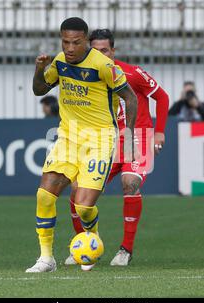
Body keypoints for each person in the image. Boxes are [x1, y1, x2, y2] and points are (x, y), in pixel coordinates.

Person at [27, 17, 138, 273]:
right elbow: (39, 90)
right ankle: (47, 259)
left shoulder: (103, 66)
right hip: (68, 137)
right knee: (44, 195)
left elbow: (130, 98)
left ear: (86, 41)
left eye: (75, 42)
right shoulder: (60, 61)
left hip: (99, 140)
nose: (69, 48)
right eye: (65, 42)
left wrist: (128, 134)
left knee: (83, 206)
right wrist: (39, 69)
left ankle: (91, 238)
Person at [65, 29, 170, 266]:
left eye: (105, 50)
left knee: (129, 183)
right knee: (77, 191)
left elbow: (162, 97)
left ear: (113, 51)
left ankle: (125, 250)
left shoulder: (132, 73)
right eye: (96, 50)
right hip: (105, 140)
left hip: (138, 136)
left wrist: (160, 132)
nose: (101, 54)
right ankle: (83, 244)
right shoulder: (86, 75)